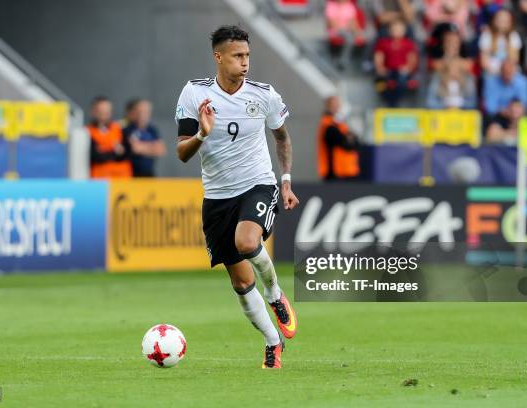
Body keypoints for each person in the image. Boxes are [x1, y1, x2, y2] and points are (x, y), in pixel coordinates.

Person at [174, 26, 299, 369]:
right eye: (237, 56)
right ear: (219, 57)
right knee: (241, 281)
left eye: (247, 56)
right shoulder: (194, 94)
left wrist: (285, 182)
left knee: (247, 242)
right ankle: (272, 343)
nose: (245, 63)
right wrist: (202, 133)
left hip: (258, 184)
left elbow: (283, 138)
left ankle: (275, 295)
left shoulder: (264, 95)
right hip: (217, 196)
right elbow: (182, 152)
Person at [374, 19, 419, 106]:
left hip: (402, 71)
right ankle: (389, 101)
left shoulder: (408, 44)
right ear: (389, 30)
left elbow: (412, 59)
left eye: (399, 29)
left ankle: (394, 103)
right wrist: (380, 68)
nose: (396, 31)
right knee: (380, 82)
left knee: (401, 80)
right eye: (394, 29)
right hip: (388, 71)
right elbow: (379, 57)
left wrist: (407, 68)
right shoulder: (383, 43)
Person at [317, 95, 360, 180]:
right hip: (335, 173)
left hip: (347, 170)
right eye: (334, 105)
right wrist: (349, 138)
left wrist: (351, 138)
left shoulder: (340, 124)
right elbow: (345, 142)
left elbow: (356, 142)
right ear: (328, 106)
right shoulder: (328, 124)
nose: (337, 107)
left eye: (338, 105)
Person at [87, 96, 132, 178]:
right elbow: (96, 156)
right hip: (100, 180)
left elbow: (127, 153)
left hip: (122, 179)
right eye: (100, 112)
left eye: (106, 112)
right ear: (93, 111)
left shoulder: (119, 129)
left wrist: (106, 153)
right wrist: (115, 152)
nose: (103, 115)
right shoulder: (87, 132)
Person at [123, 99, 166, 177]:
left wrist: (143, 147)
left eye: (146, 112)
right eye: (140, 111)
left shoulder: (152, 129)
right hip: (132, 173)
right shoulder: (129, 129)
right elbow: (136, 148)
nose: (143, 115)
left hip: (149, 172)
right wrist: (152, 147)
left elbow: (161, 150)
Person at [478, 8, 522, 76]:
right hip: (491, 71)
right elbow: (483, 62)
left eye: (505, 20)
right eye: (500, 18)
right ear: (494, 20)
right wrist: (498, 71)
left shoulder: (514, 36)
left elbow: (515, 59)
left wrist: (506, 71)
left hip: (508, 71)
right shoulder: (486, 35)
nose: (502, 21)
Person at [325, 0, 366, 69]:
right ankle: (343, 61)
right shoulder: (331, 5)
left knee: (361, 37)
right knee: (349, 38)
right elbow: (331, 23)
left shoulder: (349, 6)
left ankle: (363, 63)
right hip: (336, 31)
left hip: (347, 30)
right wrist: (345, 26)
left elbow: (353, 21)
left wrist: (358, 32)